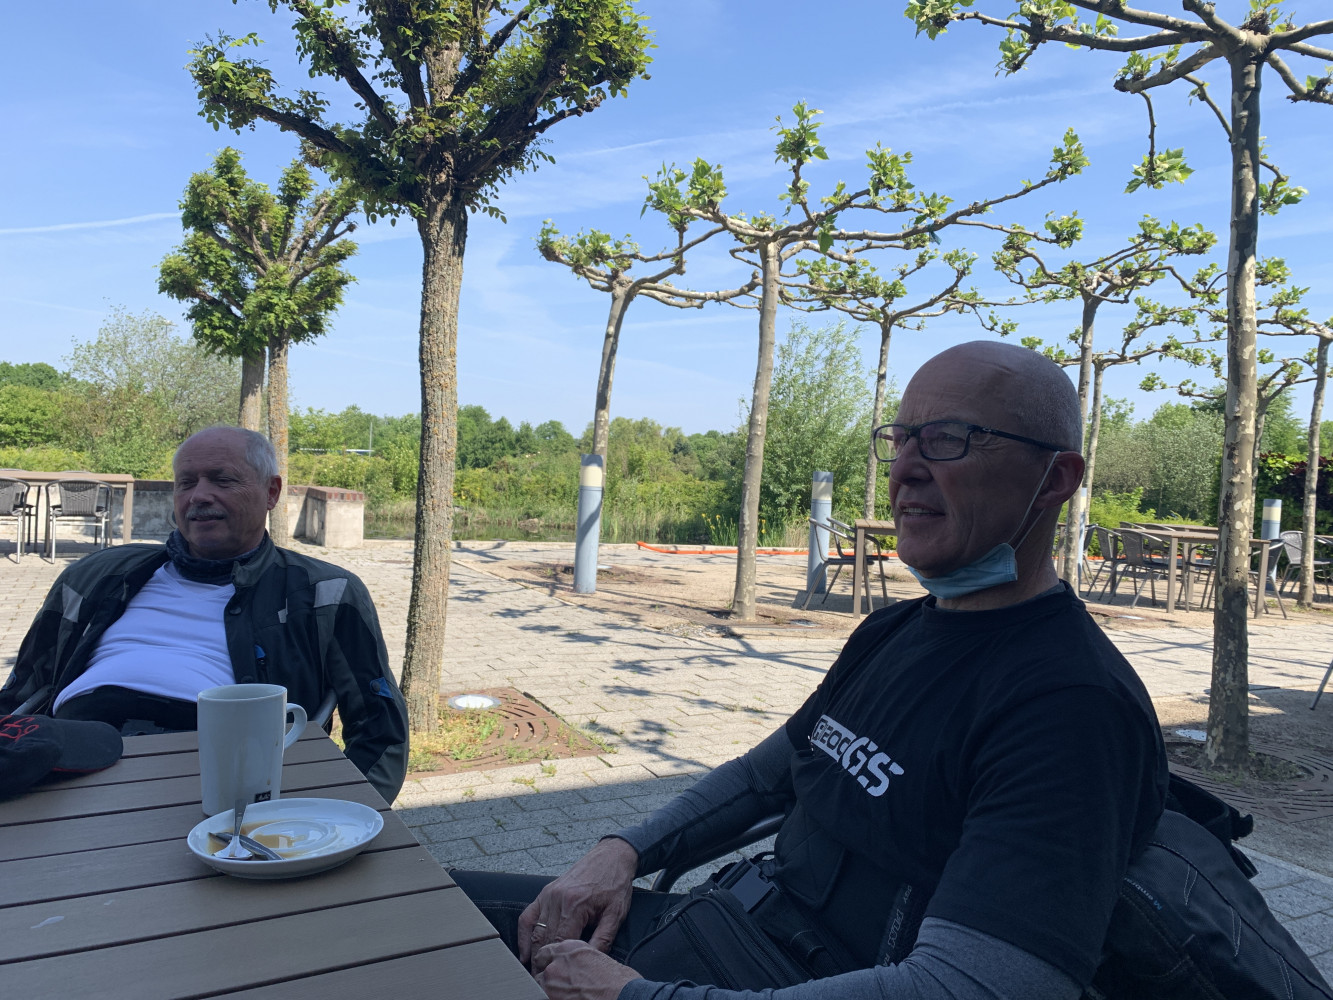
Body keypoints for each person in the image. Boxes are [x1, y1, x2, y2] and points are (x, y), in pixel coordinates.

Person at [453, 341, 1168, 999]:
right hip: (726, 928)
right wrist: (622, 850)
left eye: (949, 438)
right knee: (436, 907)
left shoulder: (1069, 706)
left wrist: (635, 997)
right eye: (899, 438)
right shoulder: (894, 629)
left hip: (780, 978)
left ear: (1054, 479)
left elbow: (974, 985)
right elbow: (765, 775)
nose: (904, 468)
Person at [0, 426, 409, 805]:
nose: (199, 495)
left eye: (222, 480)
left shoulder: (322, 592)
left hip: (222, 775)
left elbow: (380, 728)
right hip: (72, 756)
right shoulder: (95, 575)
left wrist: (350, 817)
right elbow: (22, 691)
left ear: (271, 492)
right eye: (186, 482)